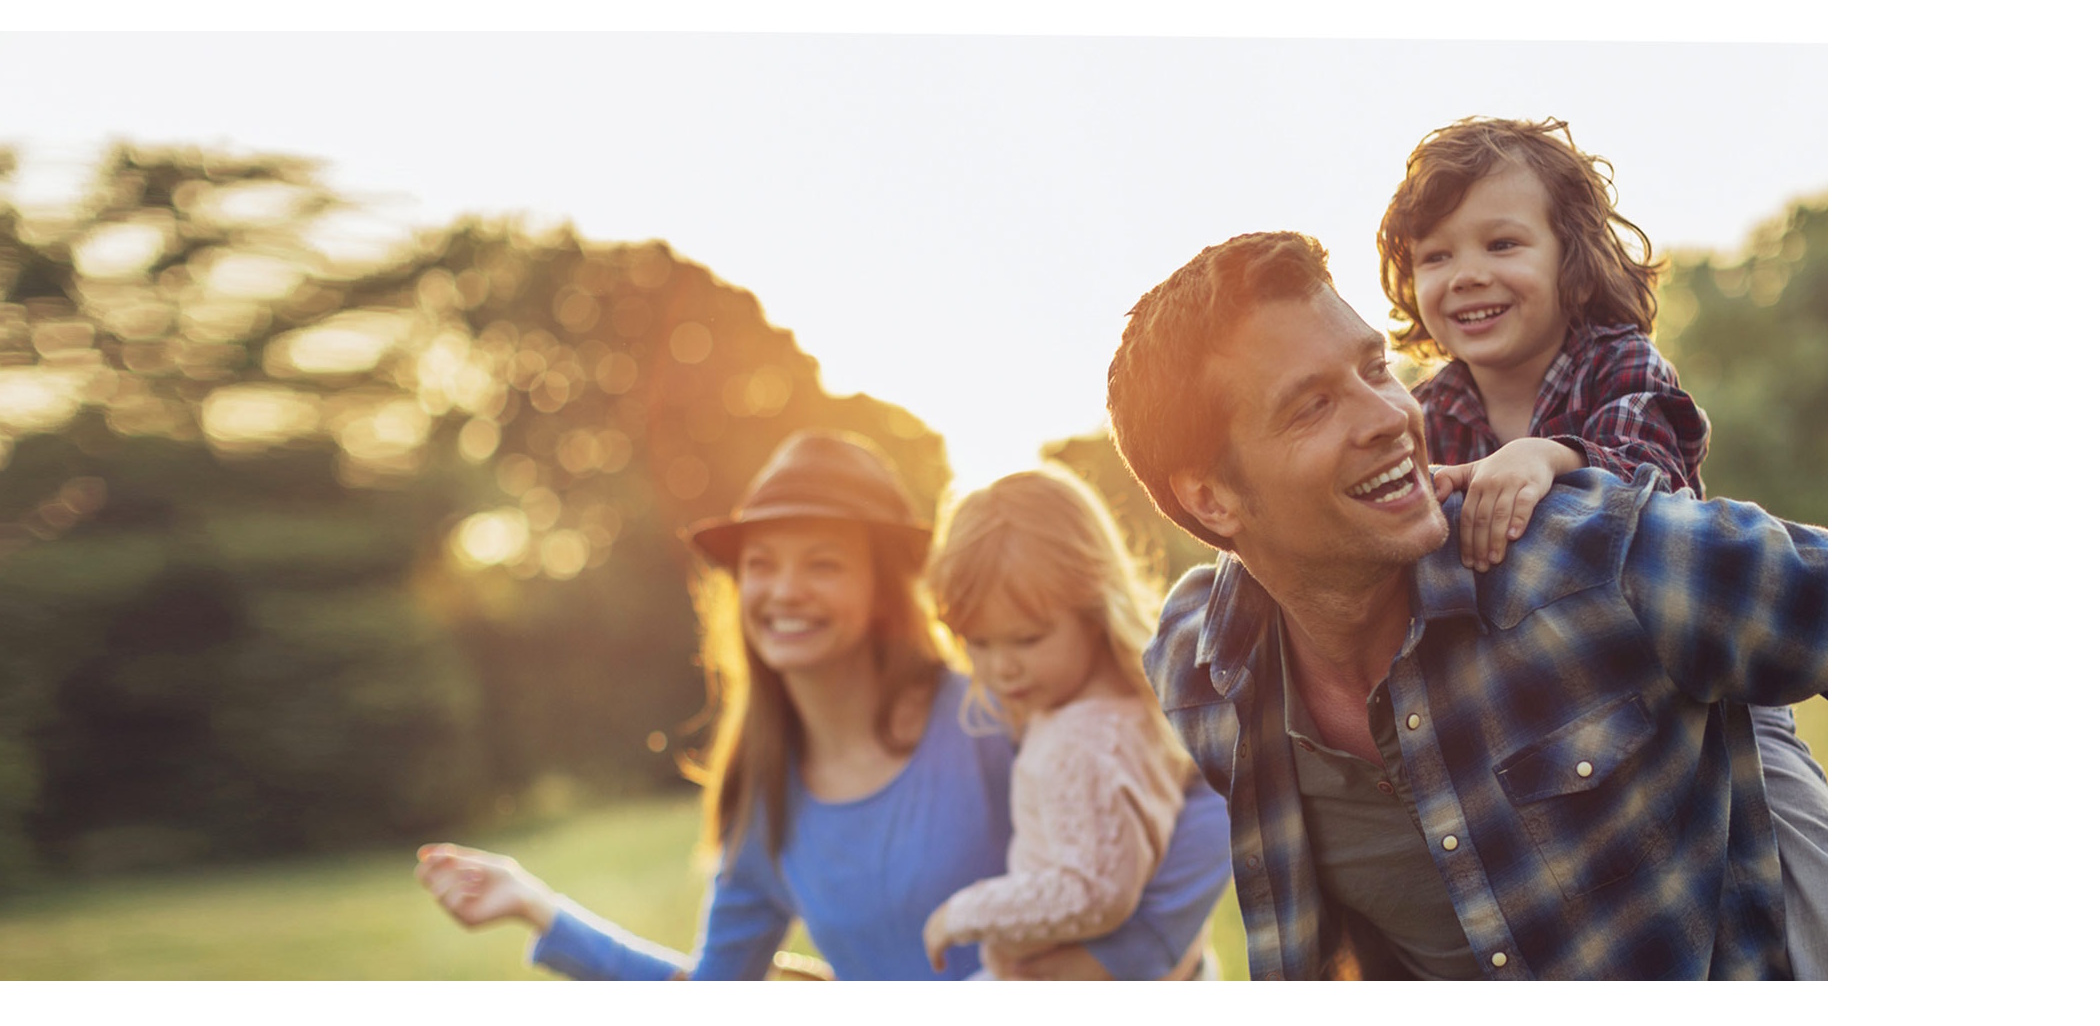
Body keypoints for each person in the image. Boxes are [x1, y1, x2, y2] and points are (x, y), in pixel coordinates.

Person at [1105, 231, 1827, 979]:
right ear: (1210, 499)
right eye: (1313, 405)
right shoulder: (1201, 673)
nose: (1390, 416)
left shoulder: (1592, 559)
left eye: (1375, 368)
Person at [414, 430, 1230, 980]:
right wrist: (540, 907)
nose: (784, 590)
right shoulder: (762, 802)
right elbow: (719, 997)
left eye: (823, 564)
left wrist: (1116, 961)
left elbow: (1206, 799)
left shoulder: (986, 709)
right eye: (763, 563)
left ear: (884, 590)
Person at [1374, 116, 1828, 978]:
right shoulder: (1428, 411)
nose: (1466, 274)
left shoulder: (1617, 364)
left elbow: (1648, 485)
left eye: (1502, 243)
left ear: (1571, 257)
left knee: (1807, 863)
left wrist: (1553, 455)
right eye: (1434, 256)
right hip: (1544, 703)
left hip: (1695, 686)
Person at [919, 467, 1207, 979]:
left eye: (1027, 639)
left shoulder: (1083, 738)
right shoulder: (1127, 706)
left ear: (1094, 611)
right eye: (977, 642)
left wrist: (962, 914)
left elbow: (1093, 892)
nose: (1001, 666)